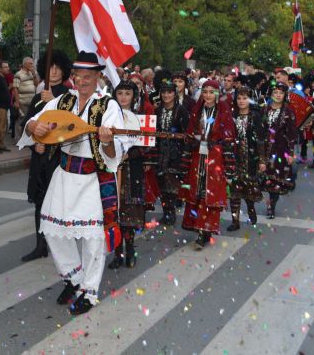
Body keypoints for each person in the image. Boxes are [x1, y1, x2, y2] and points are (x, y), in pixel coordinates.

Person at [20, 51, 125, 315]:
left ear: (98, 76)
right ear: (73, 76)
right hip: (64, 175)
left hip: (92, 178)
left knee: (92, 239)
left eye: (88, 77)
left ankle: (89, 292)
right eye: (78, 76)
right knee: (53, 230)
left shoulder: (108, 105)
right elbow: (34, 121)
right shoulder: (63, 101)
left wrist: (107, 140)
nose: (82, 81)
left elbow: (115, 152)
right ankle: (74, 278)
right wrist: (35, 128)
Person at [20, 50, 72, 262]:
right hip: (40, 160)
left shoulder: (69, 98)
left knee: (58, 205)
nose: (54, 71)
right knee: (40, 202)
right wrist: (35, 143)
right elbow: (26, 125)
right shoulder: (37, 98)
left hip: (59, 160)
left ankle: (61, 248)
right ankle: (40, 245)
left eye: (58, 68)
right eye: (50, 67)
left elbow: (70, 126)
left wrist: (56, 102)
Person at [179, 79, 235, 249]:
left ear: (218, 95)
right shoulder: (197, 112)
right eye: (205, 92)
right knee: (197, 191)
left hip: (215, 158)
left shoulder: (223, 112)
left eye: (212, 92)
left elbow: (228, 139)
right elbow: (190, 135)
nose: (208, 95)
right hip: (198, 157)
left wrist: (229, 166)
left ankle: (204, 231)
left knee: (209, 194)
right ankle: (200, 227)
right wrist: (191, 148)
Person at [108, 80, 145, 269]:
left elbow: (145, 146)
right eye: (120, 93)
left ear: (134, 96)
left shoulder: (141, 118)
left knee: (129, 213)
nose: (123, 97)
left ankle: (130, 250)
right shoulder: (107, 116)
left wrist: (129, 154)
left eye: (127, 93)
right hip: (113, 169)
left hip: (132, 171)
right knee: (114, 212)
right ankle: (117, 253)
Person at [148, 79, 189, 226]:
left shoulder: (181, 110)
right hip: (160, 152)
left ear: (174, 93)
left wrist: (184, 153)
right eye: (164, 92)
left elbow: (187, 133)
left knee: (172, 183)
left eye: (169, 92)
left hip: (175, 152)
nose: (166, 95)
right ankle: (166, 213)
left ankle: (170, 214)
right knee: (162, 183)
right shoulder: (157, 110)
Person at [228, 87, 266, 230]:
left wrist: (262, 160)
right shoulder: (232, 115)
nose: (242, 101)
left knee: (249, 188)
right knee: (234, 190)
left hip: (251, 158)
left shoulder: (255, 116)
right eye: (239, 98)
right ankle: (235, 221)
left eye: (244, 98)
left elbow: (261, 139)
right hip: (234, 157)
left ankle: (251, 210)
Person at [262, 82, 297, 218]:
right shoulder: (264, 109)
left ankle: (271, 207)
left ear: (284, 95)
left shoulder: (288, 111)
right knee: (262, 177)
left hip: (280, 149)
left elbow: (292, 133)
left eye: (281, 93)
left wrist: (291, 152)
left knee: (275, 179)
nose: (278, 95)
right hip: (264, 148)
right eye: (275, 92)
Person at [13, 57, 38, 137]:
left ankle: (26, 139)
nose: (32, 65)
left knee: (29, 120)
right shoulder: (18, 74)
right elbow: (15, 89)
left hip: (31, 101)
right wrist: (17, 102)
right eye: (30, 63)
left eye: (32, 63)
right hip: (22, 101)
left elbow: (37, 84)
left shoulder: (32, 73)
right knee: (21, 120)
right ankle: (18, 139)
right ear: (25, 64)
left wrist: (34, 74)